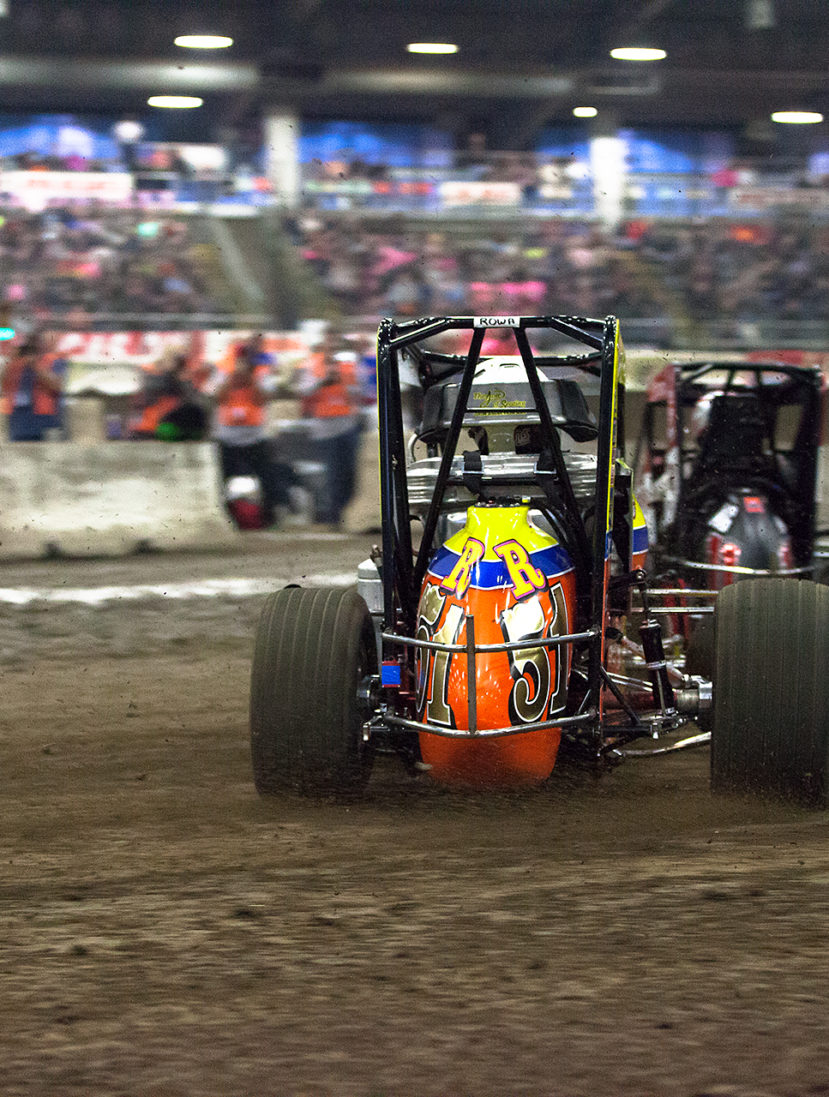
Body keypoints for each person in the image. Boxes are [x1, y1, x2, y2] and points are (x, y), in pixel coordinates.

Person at [208, 335, 288, 528]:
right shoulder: (222, 371)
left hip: (255, 437)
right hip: (228, 438)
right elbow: (216, 397)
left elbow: (264, 399)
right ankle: (227, 518)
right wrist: (231, 380)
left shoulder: (261, 373)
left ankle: (268, 518)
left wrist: (250, 380)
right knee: (221, 480)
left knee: (268, 478)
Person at [297, 329, 365, 529]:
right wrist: (322, 380)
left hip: (347, 425)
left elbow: (360, 391)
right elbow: (303, 390)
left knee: (350, 473)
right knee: (332, 475)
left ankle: (347, 514)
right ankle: (334, 517)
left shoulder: (349, 366)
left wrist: (343, 380)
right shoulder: (312, 366)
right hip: (325, 429)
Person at [129, 348, 208, 441]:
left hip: (172, 428)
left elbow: (191, 399)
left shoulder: (185, 380)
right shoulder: (154, 375)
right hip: (151, 428)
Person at [1, 332, 67, 441]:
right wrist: (12, 360)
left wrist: (36, 366)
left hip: (43, 416)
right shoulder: (16, 362)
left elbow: (58, 385)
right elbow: (4, 383)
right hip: (18, 415)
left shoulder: (54, 360)